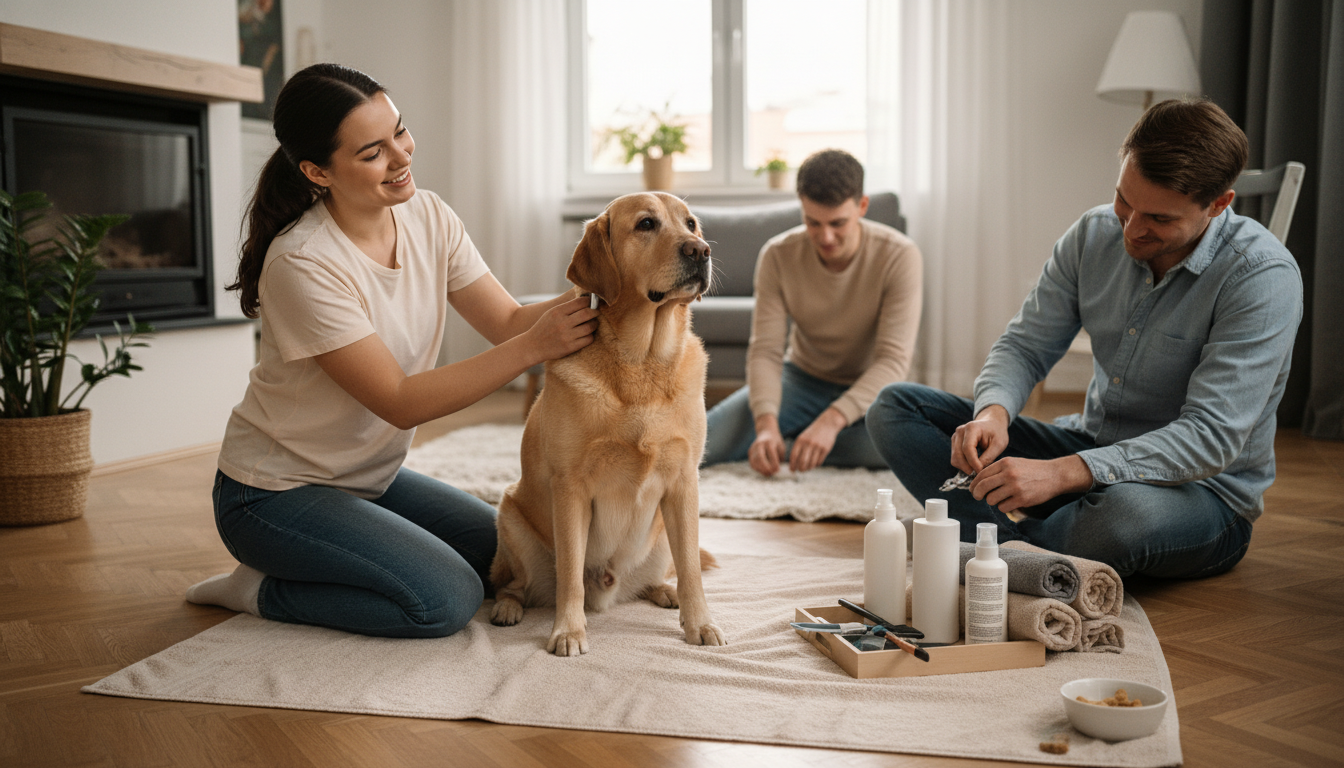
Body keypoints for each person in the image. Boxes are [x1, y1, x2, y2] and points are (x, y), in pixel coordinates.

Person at [184, 64, 597, 637]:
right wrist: (535, 347)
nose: (402, 157)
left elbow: (505, 320)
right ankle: (256, 588)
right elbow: (400, 401)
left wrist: (610, 281)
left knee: (514, 553)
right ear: (316, 171)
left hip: (369, 479)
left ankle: (344, 552)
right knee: (444, 599)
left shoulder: (428, 215)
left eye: (399, 132)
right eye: (373, 152)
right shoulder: (303, 261)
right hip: (272, 495)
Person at [866, 99, 1303, 579]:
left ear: (1218, 204)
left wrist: (1058, 473)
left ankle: (979, 542)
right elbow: (1025, 346)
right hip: (1089, 445)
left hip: (1201, 493)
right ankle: (1019, 554)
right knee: (895, 407)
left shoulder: (1261, 276)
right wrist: (993, 412)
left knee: (1123, 519)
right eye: (1124, 201)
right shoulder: (1093, 234)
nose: (1132, 229)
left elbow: (1210, 437)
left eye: (1158, 218)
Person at [702, 149, 923, 477]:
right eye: (812, 223)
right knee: (703, 440)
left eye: (838, 223)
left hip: (873, 389)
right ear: (801, 206)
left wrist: (832, 421)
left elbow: (892, 361)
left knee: (911, 446)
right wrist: (765, 424)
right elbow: (766, 351)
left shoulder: (900, 256)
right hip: (801, 380)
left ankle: (794, 445)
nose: (826, 237)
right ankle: (785, 441)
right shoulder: (777, 256)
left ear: (862, 206)